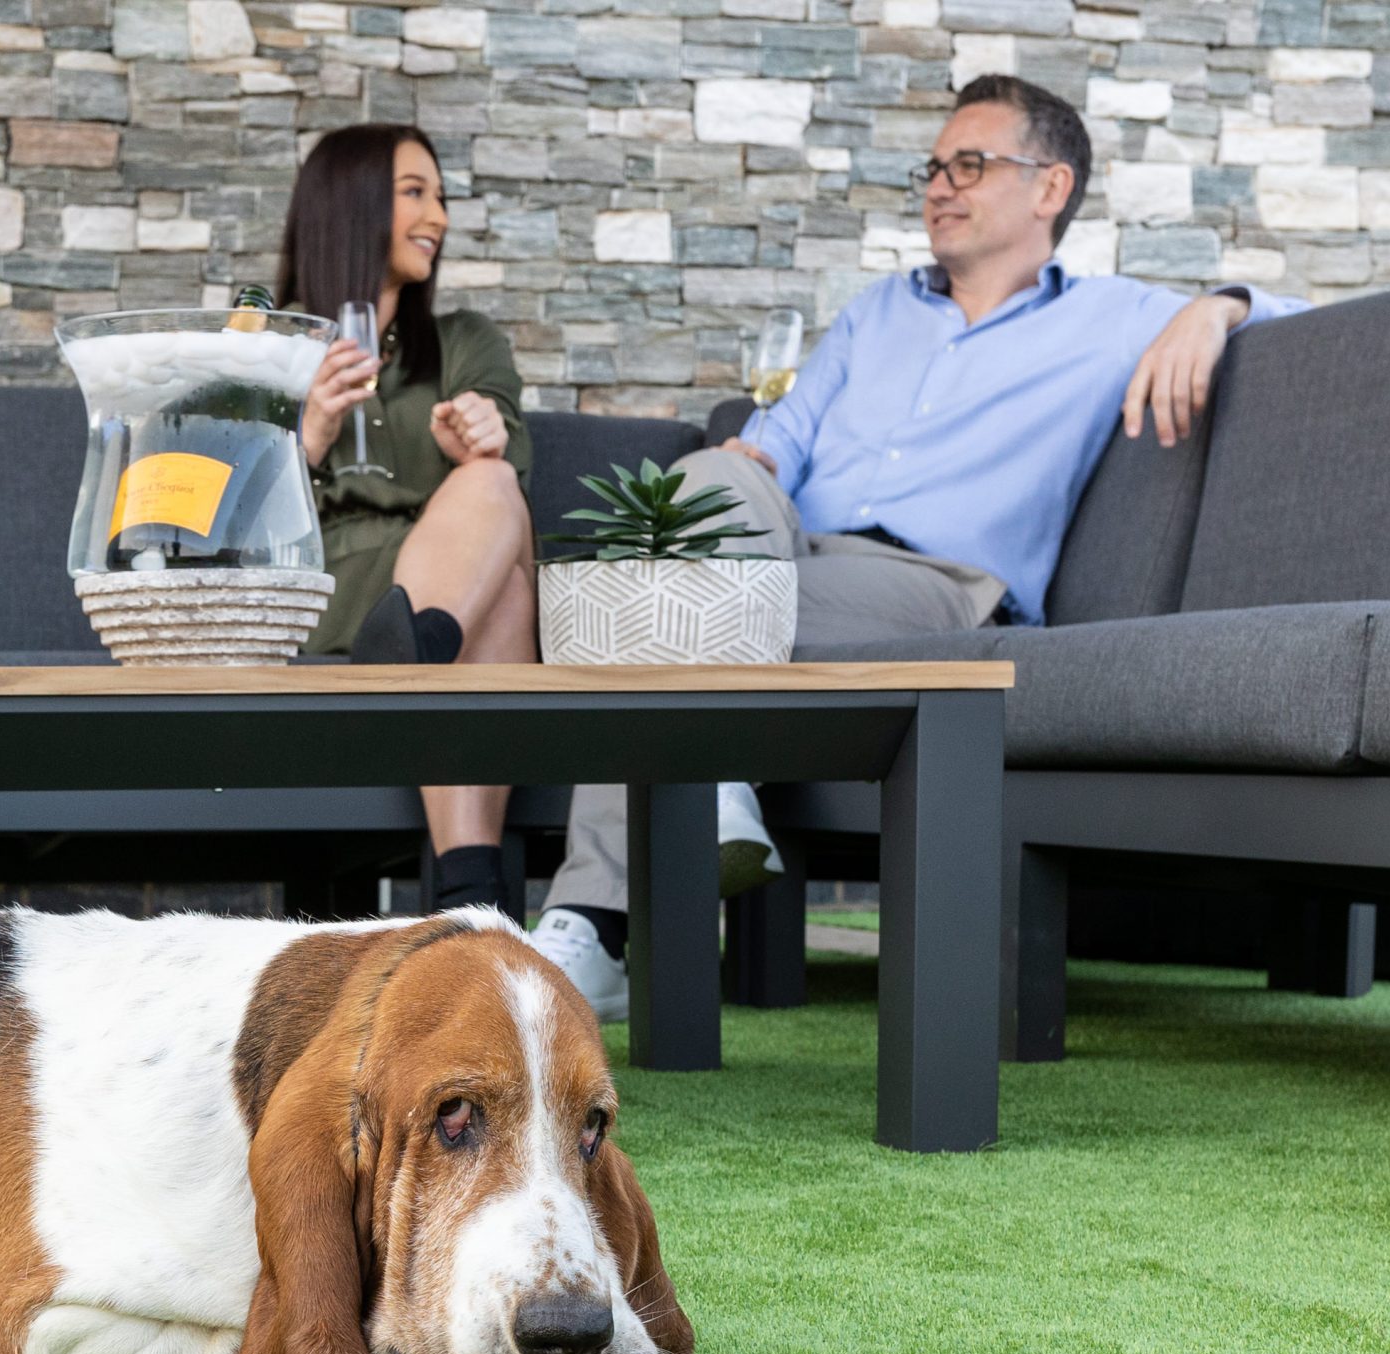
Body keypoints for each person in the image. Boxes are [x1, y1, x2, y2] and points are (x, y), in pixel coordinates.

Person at [528, 73, 1307, 1019]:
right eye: (934, 168)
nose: (940, 186)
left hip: (936, 584)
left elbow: (1304, 327)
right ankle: (705, 784)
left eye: (969, 165)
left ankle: (591, 922)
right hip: (791, 549)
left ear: (1050, 189)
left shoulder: (1109, 318)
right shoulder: (874, 312)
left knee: (657, 608)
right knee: (707, 477)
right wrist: (737, 471)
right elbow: (774, 446)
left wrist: (1217, 304)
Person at [282, 123, 538, 916]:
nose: (440, 216)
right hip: (320, 588)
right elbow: (224, 522)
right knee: (508, 587)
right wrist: (308, 437)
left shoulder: (464, 340)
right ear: (355, 204)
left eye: (442, 196)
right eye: (416, 192)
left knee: (492, 481)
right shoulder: (270, 344)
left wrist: (484, 432)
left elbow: (505, 439)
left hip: (430, 588)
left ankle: (411, 655)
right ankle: (472, 891)